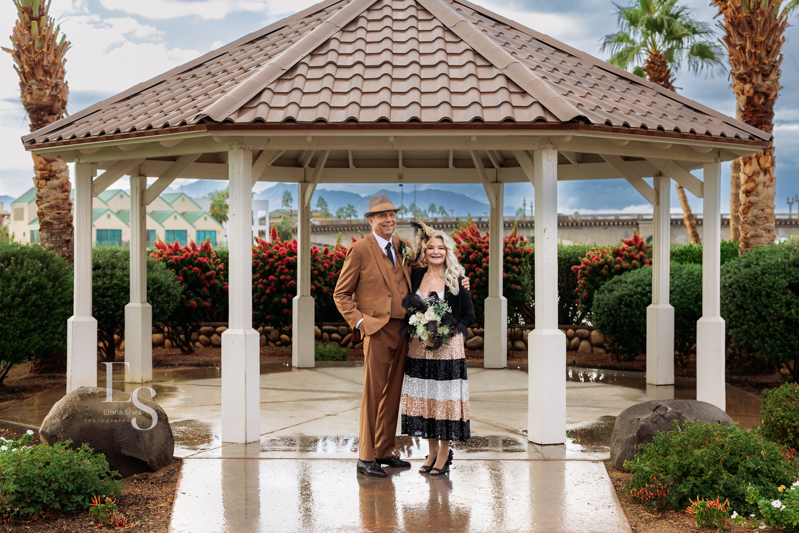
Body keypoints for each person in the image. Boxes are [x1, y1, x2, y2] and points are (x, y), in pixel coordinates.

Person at [334, 195, 469, 478]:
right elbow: (341, 294)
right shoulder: (360, 250)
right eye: (382, 216)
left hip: (405, 332)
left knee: (393, 394)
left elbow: (428, 272)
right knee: (373, 394)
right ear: (371, 220)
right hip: (377, 330)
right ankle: (365, 457)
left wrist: (460, 279)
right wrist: (361, 322)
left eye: (392, 215)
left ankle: (384, 450)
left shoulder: (401, 247)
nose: (389, 220)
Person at [400, 223, 474, 475]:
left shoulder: (456, 278)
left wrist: (451, 331)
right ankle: (431, 452)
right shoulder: (416, 277)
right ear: (424, 250)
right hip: (419, 349)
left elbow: (469, 316)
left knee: (444, 402)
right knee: (427, 401)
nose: (435, 251)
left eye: (440, 247)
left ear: (447, 251)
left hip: (448, 350)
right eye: (431, 247)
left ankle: (444, 453)